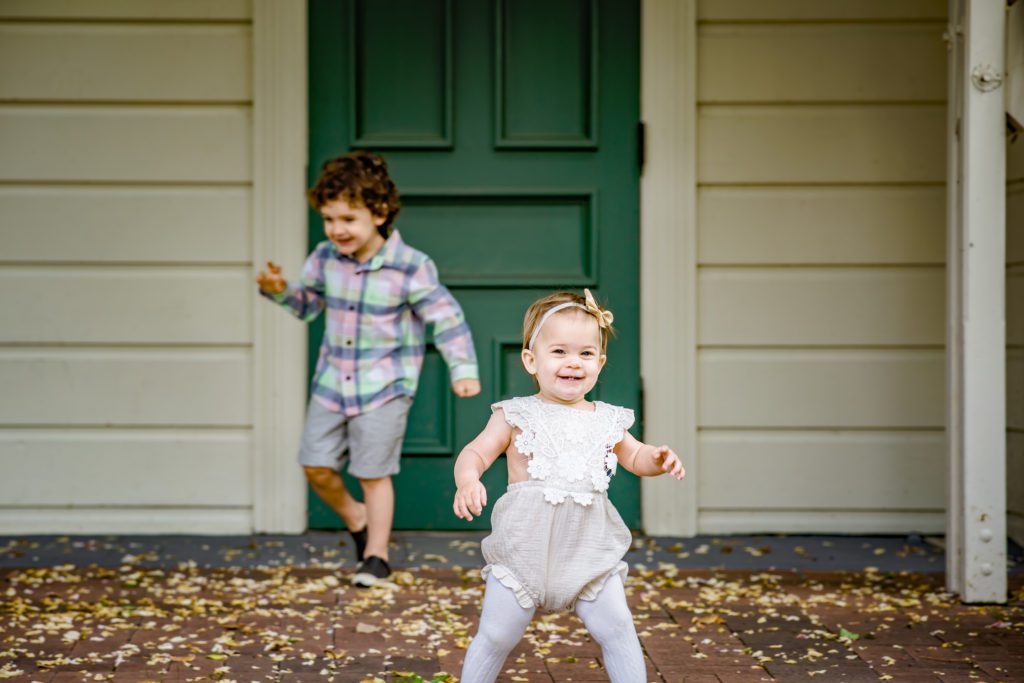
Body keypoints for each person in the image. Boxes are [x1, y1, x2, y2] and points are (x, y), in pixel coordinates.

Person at [258, 150, 480, 587]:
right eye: (328, 219)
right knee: (315, 465)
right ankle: (354, 516)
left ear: (378, 213)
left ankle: (376, 556)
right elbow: (308, 307)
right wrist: (280, 290)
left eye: (347, 219)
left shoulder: (410, 267)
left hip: (384, 386)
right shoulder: (324, 258)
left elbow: (446, 318)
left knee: (372, 471)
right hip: (331, 383)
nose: (336, 229)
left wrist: (463, 369)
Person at [452, 290, 685, 682]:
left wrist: (657, 459)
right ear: (531, 360)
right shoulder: (516, 414)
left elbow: (635, 457)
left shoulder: (608, 420)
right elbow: (475, 453)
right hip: (523, 551)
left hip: (588, 553)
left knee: (618, 630)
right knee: (496, 634)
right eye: (558, 352)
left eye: (586, 354)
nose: (573, 363)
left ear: (600, 362)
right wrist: (468, 479)